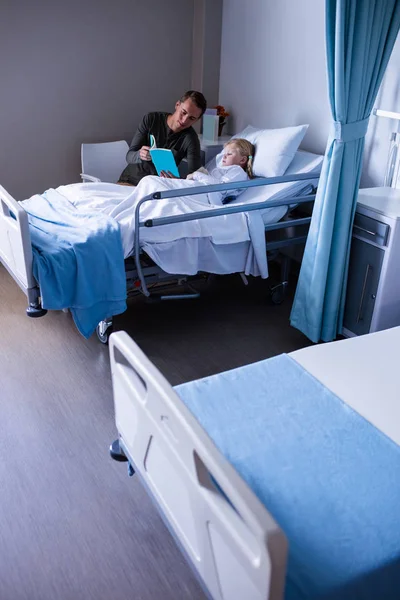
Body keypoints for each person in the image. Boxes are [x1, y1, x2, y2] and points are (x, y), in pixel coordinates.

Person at [118, 90, 207, 186]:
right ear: (177, 105)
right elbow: (129, 156)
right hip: (130, 181)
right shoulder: (151, 119)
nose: (184, 120)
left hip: (159, 187)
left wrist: (178, 181)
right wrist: (140, 155)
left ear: (197, 120)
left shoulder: (191, 139)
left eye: (192, 118)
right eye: (183, 112)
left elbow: (195, 177)